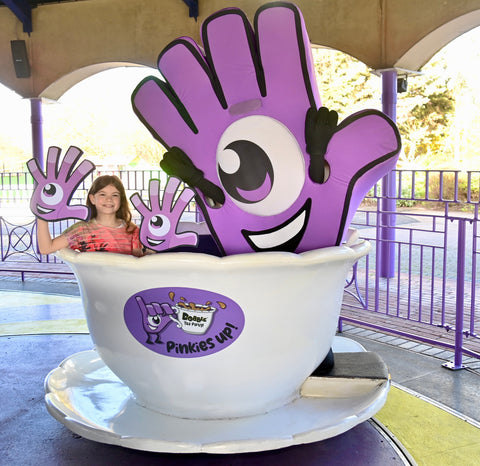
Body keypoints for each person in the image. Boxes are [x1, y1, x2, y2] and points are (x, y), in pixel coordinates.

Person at [36, 175, 143, 257]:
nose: (109, 199)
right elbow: (46, 248)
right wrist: (42, 215)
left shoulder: (132, 230)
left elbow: (138, 263)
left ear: (121, 199)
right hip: (92, 285)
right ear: (92, 198)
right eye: (102, 194)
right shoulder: (81, 230)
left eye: (115, 195)